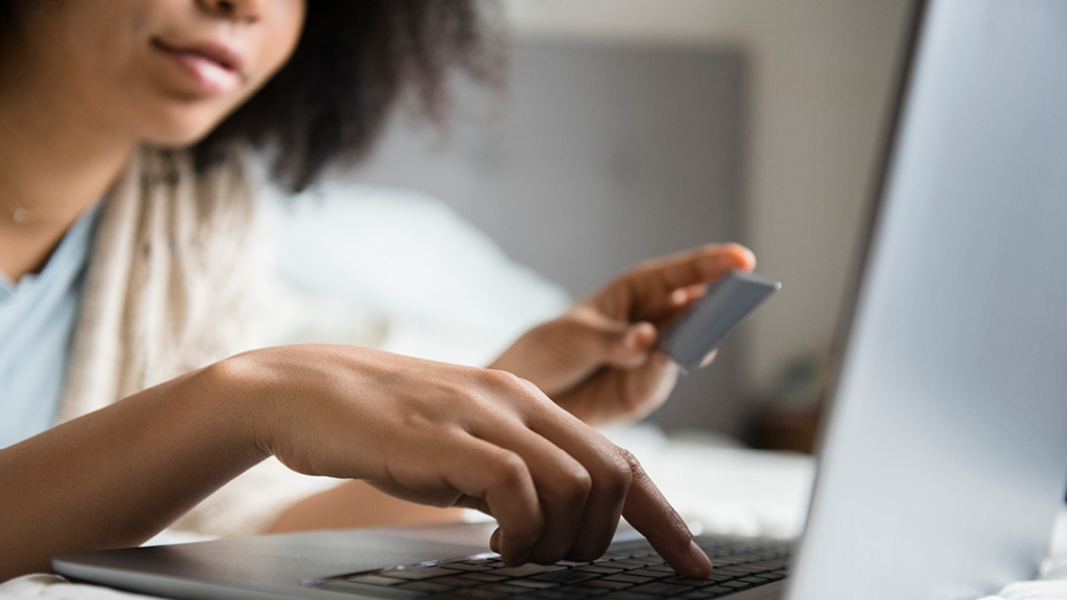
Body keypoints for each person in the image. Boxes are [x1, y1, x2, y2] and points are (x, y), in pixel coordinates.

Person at [0, 0, 757, 583]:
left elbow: (225, 529)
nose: (245, 5)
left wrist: (516, 420)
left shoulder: (195, 211)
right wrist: (244, 399)